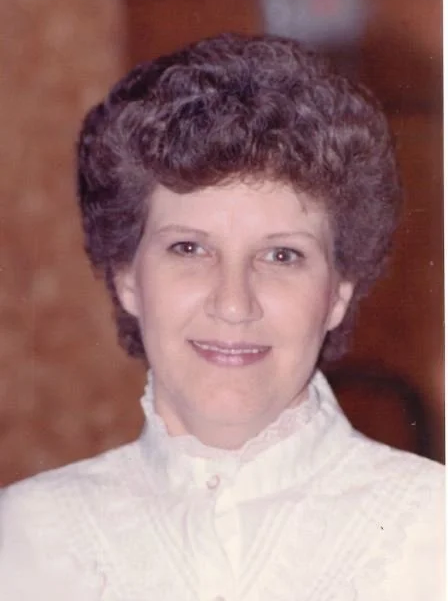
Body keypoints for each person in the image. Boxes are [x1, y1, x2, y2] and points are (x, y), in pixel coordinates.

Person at [0, 33, 443, 600]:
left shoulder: (431, 528)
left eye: (282, 256)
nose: (234, 304)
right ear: (128, 277)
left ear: (338, 291)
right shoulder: (27, 538)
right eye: (189, 248)